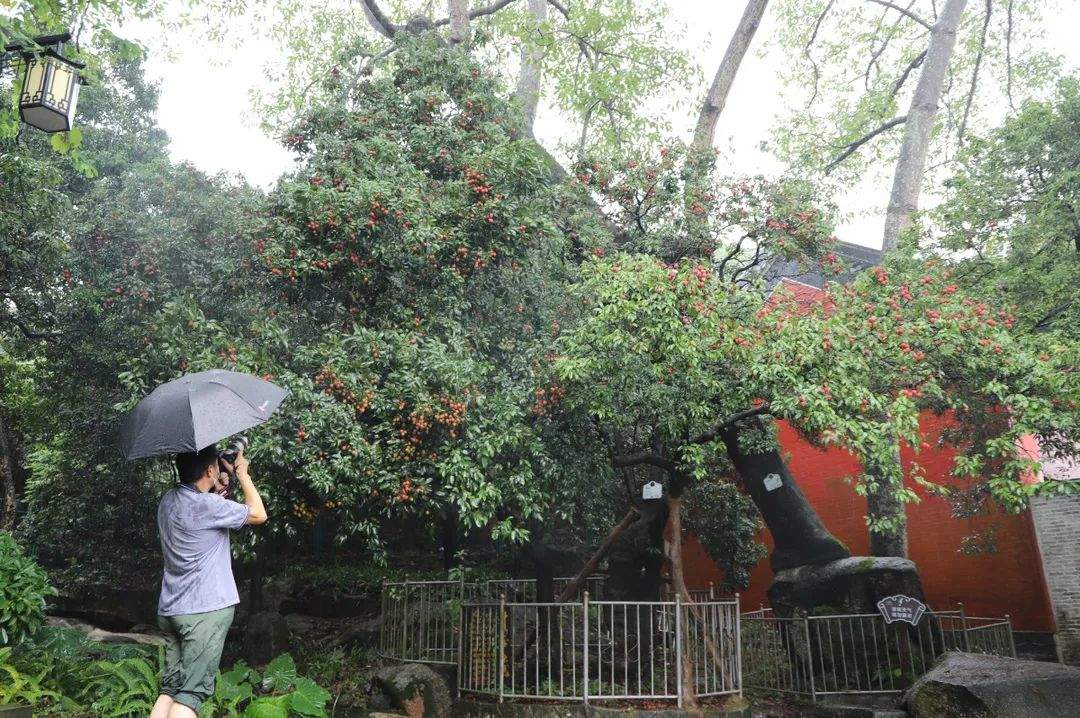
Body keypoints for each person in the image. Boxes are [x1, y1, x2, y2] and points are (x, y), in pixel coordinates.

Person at [150, 445, 267, 718]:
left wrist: (217, 483)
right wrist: (242, 475)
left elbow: (200, 511)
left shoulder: (168, 500)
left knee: (170, 689)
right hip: (203, 613)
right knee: (190, 695)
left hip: (171, 608)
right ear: (210, 470)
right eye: (215, 466)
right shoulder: (208, 505)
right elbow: (259, 514)